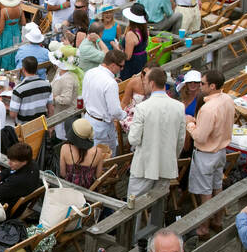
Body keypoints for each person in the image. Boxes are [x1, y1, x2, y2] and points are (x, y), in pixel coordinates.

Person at [185, 68, 235, 237]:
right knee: (217, 187)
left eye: (203, 83)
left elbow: (200, 137)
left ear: (212, 86)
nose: (200, 86)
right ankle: (218, 221)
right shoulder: (227, 99)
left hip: (206, 154)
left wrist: (190, 124)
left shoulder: (208, 109)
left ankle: (203, 228)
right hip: (221, 150)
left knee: (205, 192)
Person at [126, 67, 186, 205]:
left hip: (144, 165)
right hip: (167, 164)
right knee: (159, 205)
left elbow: (133, 139)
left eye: (146, 82)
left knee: (133, 205)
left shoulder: (142, 108)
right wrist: (172, 156)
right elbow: (180, 140)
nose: (144, 85)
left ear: (152, 83)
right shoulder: (179, 107)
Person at [81, 48, 127, 152]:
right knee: (105, 158)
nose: (122, 69)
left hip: (88, 119)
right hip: (102, 126)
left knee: (90, 154)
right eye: (121, 66)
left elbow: (85, 95)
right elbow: (115, 111)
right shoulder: (110, 83)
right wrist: (125, 115)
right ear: (113, 65)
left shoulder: (90, 72)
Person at [0, 141, 41, 212]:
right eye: (9, 159)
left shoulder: (17, 180)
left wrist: (0, 182)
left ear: (24, 162)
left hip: (5, 208)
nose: (9, 162)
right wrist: (0, 177)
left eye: (13, 161)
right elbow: (10, 170)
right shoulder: (33, 164)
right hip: (14, 195)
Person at [58, 117, 107, 188]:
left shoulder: (65, 148)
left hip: (69, 189)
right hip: (90, 190)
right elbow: (98, 176)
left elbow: (63, 174)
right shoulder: (98, 151)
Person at [8, 56, 53, 124]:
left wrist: (6, 106)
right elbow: (51, 109)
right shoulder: (47, 85)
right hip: (41, 125)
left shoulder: (18, 89)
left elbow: (13, 115)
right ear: (36, 68)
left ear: (23, 69)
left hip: (25, 128)